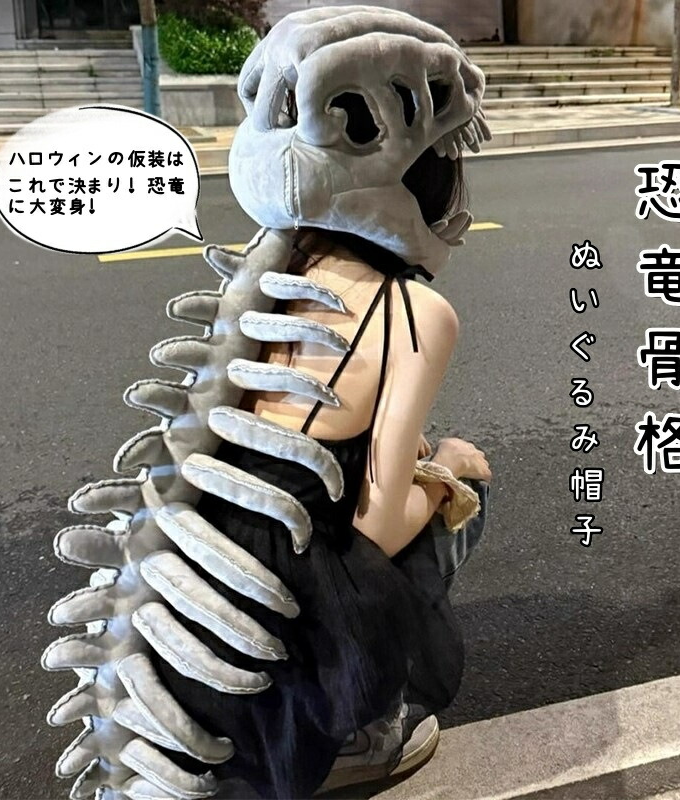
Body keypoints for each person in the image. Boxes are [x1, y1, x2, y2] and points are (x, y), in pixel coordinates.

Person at [148, 78, 492, 797]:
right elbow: (376, 527)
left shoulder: (268, 271)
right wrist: (449, 471)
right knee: (463, 485)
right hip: (288, 576)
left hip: (195, 552)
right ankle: (359, 731)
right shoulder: (414, 310)